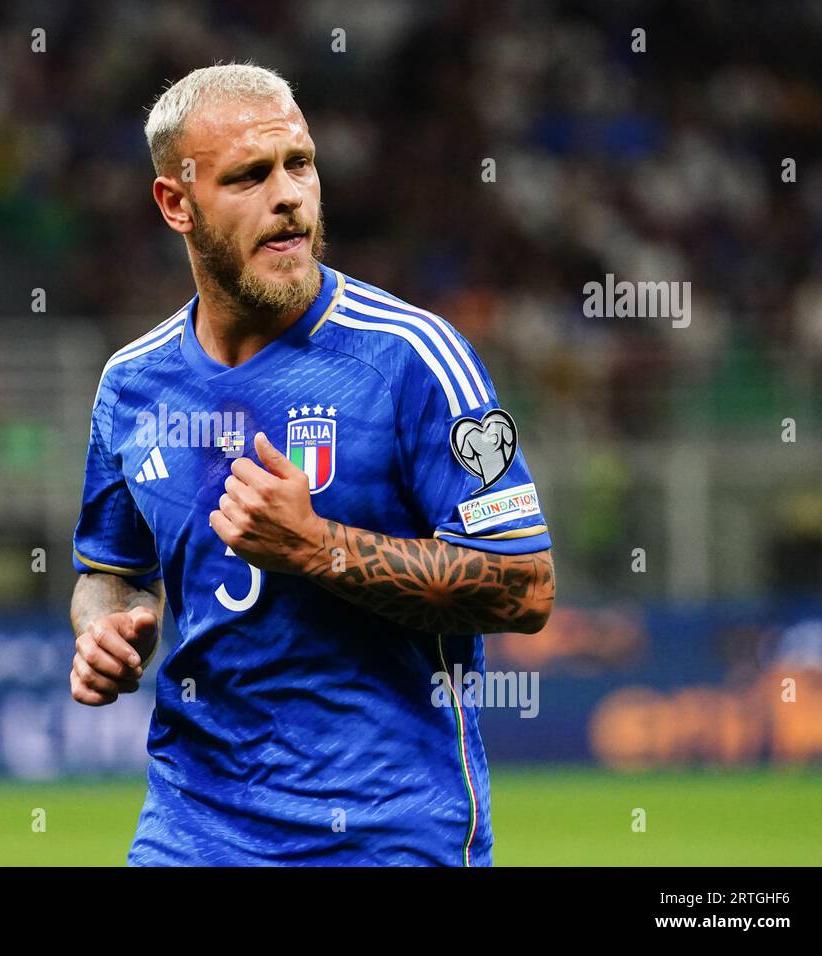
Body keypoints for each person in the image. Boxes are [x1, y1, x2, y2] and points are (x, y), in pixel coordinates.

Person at [69, 64, 555, 866]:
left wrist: (316, 547)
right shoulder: (132, 384)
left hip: (386, 832)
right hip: (194, 827)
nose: (289, 194)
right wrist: (106, 628)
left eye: (300, 163)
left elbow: (526, 586)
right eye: (250, 176)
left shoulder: (414, 359)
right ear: (175, 204)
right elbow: (108, 570)